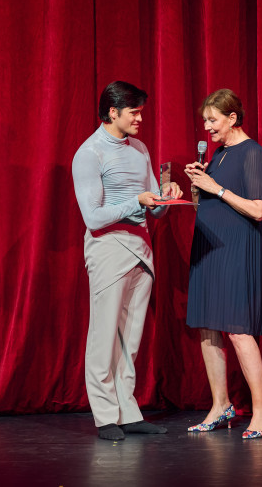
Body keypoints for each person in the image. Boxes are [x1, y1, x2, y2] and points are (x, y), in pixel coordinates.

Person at [71, 80, 182, 441]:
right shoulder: (89, 153)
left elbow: (155, 210)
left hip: (141, 247)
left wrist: (166, 197)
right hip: (108, 247)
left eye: (141, 111)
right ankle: (105, 416)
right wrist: (139, 202)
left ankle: (128, 411)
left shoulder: (140, 148)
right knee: (104, 336)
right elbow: (94, 217)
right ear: (112, 112)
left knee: (130, 337)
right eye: (133, 111)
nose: (140, 118)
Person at [183, 89, 262, 439]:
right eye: (205, 120)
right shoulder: (218, 154)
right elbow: (208, 205)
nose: (207, 127)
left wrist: (216, 188)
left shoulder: (252, 152)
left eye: (213, 120)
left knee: (237, 329)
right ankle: (220, 405)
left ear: (233, 118)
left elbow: (258, 208)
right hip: (208, 247)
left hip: (237, 248)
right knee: (208, 327)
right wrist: (196, 188)